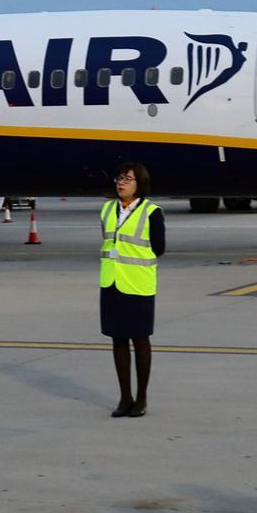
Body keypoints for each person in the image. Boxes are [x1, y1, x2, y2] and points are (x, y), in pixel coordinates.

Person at [99, 162, 165, 418]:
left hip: (138, 283)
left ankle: (142, 398)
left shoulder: (152, 211)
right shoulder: (106, 210)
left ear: (139, 184)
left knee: (140, 340)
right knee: (118, 340)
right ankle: (124, 397)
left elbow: (159, 247)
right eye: (119, 178)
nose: (121, 183)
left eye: (127, 179)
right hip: (111, 282)